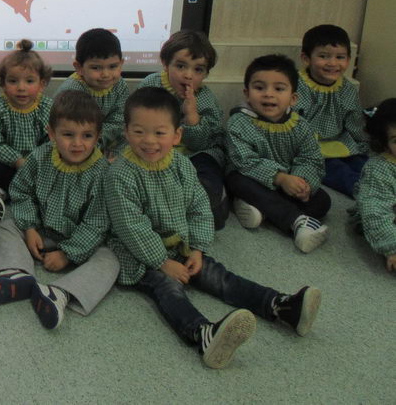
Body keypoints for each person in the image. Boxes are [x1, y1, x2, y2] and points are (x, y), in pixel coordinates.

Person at [105, 87, 322, 369]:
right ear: (126, 132)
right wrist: (162, 263)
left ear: (176, 135)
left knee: (220, 277)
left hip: (180, 245)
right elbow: (131, 225)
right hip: (139, 254)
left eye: (159, 133)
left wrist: (197, 248)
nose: (149, 141)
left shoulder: (182, 165)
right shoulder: (120, 174)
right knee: (168, 288)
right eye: (139, 132)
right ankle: (202, 334)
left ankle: (280, 305)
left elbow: (198, 208)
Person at [0, 91, 118, 330]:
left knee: (111, 259)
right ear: (52, 134)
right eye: (68, 135)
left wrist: (68, 254)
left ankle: (60, 293)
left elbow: (97, 223)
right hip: (42, 227)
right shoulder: (40, 157)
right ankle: (16, 274)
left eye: (87, 136)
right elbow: (21, 191)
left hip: (81, 238)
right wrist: (30, 227)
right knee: (7, 225)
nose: (77, 143)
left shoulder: (102, 172)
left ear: (97, 137)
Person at [225, 54, 330, 253]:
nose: (268, 94)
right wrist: (280, 178)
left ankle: (263, 211)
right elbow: (244, 161)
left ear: (293, 97)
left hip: (287, 183)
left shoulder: (300, 125)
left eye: (279, 89)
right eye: (259, 88)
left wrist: (301, 182)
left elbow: (311, 158)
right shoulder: (238, 123)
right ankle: (297, 222)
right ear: (247, 93)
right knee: (236, 180)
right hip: (253, 179)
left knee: (323, 200)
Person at [138, 30, 228, 228]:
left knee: (209, 176)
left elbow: (201, 143)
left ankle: (205, 199)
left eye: (198, 70)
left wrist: (192, 115)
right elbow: (136, 123)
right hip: (160, 151)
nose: (188, 75)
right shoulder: (150, 85)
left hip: (197, 153)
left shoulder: (206, 98)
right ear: (165, 63)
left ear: (206, 74)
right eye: (180, 66)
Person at [0, 40, 53, 231]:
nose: (21, 88)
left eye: (29, 81)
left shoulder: (47, 107)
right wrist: (17, 160)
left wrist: (34, 162)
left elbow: (51, 141)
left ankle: (7, 192)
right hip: (8, 164)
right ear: (2, 83)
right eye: (13, 81)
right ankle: (19, 192)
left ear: (42, 84)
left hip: (37, 164)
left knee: (56, 171)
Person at [295, 24, 369, 196]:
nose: (332, 63)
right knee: (339, 171)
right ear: (306, 58)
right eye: (323, 56)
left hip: (340, 142)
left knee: (365, 164)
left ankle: (386, 186)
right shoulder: (297, 86)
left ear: (349, 60)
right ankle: (367, 195)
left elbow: (355, 122)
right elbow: (294, 123)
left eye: (340, 57)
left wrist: (365, 144)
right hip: (311, 150)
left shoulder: (347, 89)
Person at [55, 28, 129, 153]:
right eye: (96, 67)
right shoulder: (71, 91)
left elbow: (119, 120)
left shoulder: (120, 85)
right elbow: (71, 128)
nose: (106, 74)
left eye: (113, 66)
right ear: (79, 68)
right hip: (79, 142)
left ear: (121, 64)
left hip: (110, 139)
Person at [353, 98, 396, 273]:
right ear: (385, 145)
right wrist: (392, 248)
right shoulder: (379, 169)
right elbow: (375, 212)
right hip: (384, 218)